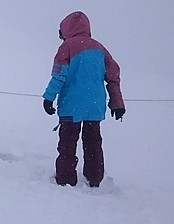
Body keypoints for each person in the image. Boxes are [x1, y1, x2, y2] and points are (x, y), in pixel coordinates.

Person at [42, 11, 125, 187]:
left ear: (66, 29)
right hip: (95, 106)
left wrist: (48, 98)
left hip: (72, 105)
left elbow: (59, 75)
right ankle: (95, 179)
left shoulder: (67, 47)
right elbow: (113, 77)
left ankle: (65, 180)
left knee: (67, 143)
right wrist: (117, 103)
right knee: (93, 142)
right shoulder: (100, 49)